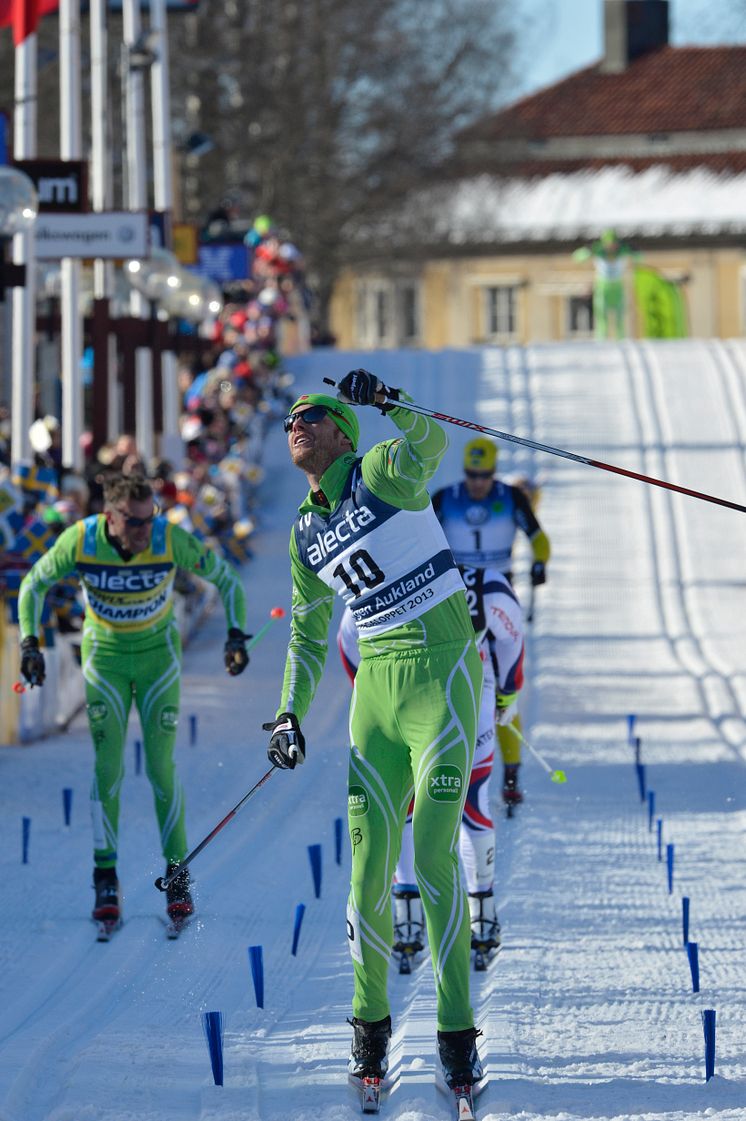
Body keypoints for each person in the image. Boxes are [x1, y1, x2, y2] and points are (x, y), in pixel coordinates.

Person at [264, 371, 485, 1093]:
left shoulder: (379, 470)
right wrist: (289, 712)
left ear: (341, 433)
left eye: (312, 415)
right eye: (290, 417)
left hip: (441, 675)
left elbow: (431, 441)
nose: (296, 422)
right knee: (365, 876)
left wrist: (388, 400)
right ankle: (369, 1034)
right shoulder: (303, 533)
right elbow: (305, 634)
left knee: (432, 858)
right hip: (377, 696)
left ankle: (456, 1035)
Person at [17, 474, 251, 931]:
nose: (144, 532)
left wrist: (236, 636)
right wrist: (29, 643)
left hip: (157, 660)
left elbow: (227, 580)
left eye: (150, 520)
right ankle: (105, 877)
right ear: (110, 516)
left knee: (162, 767)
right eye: (134, 523)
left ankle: (177, 875)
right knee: (108, 767)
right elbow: (32, 585)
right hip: (105, 659)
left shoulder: (168, 538)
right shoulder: (81, 538)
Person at [337, 559, 525, 968]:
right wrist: (508, 693)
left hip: (441, 690)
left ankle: (460, 909)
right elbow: (512, 642)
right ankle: (445, 908)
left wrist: (368, 690)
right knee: (436, 799)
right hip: (457, 690)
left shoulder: (478, 584)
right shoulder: (483, 584)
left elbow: (348, 644)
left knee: (454, 797)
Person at [432, 437, 549, 808]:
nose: (476, 482)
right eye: (471, 474)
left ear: (493, 472)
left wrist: (539, 563)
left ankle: (510, 775)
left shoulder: (511, 498)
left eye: (483, 475)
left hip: (499, 596)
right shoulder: (445, 498)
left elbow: (538, 537)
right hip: (454, 598)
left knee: (505, 688)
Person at [572, 227, 640, 340]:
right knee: (601, 317)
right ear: (604, 243)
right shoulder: (598, 250)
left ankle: (621, 340)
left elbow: (639, 257)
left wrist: (634, 250)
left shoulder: (623, 250)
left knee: (619, 317)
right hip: (602, 287)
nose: (611, 247)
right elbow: (576, 258)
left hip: (618, 287)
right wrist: (587, 250)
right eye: (608, 244)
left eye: (614, 244)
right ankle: (601, 341)